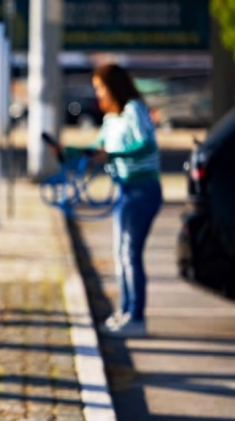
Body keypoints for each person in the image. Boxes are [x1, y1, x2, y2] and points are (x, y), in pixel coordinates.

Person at [53, 63, 163, 337]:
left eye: (100, 88)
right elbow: (97, 149)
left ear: (114, 87)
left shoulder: (134, 110)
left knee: (130, 253)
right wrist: (67, 151)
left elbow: (146, 144)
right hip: (124, 189)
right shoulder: (111, 119)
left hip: (142, 189)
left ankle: (136, 317)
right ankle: (125, 312)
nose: (98, 94)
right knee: (120, 253)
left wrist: (115, 155)